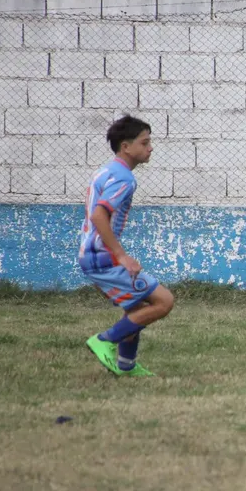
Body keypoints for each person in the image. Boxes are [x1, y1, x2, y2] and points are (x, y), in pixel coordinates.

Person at [79, 114, 174, 376]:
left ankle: (126, 366)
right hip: (102, 257)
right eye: (145, 143)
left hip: (91, 254)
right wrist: (121, 255)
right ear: (126, 146)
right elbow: (99, 215)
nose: (150, 147)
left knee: (135, 309)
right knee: (164, 301)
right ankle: (104, 340)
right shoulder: (124, 178)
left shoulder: (106, 171)